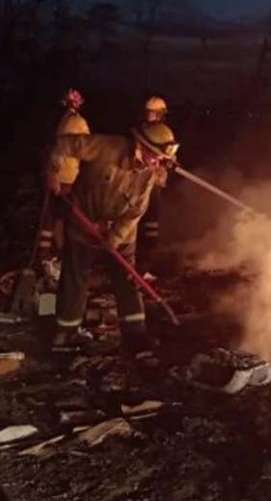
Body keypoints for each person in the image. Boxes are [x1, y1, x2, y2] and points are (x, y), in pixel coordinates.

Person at [46, 122, 179, 356]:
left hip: (121, 232)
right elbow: (61, 145)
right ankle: (66, 332)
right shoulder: (105, 147)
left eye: (161, 159)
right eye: (155, 156)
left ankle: (135, 332)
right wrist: (52, 173)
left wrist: (114, 238)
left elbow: (136, 212)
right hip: (83, 223)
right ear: (140, 146)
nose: (157, 162)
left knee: (127, 277)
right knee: (76, 276)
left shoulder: (148, 174)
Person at [38, 88, 90, 261]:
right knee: (63, 215)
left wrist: (50, 173)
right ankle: (58, 252)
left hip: (61, 175)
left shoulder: (60, 121)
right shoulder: (76, 122)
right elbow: (86, 149)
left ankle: (53, 251)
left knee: (55, 215)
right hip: (68, 178)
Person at [138, 96, 170, 271]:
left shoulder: (162, 132)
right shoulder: (142, 132)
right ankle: (140, 260)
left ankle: (147, 258)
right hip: (141, 180)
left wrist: (169, 160)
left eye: (153, 113)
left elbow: (169, 152)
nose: (150, 115)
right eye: (148, 112)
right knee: (142, 217)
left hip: (155, 181)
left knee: (152, 219)